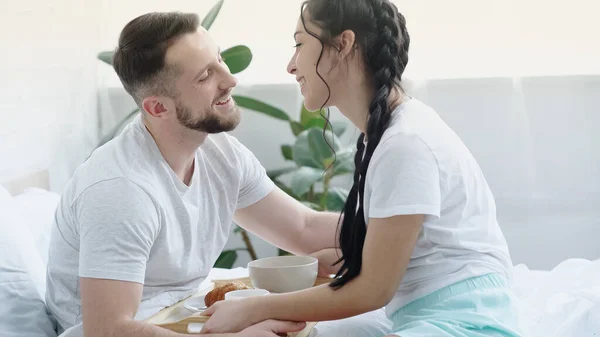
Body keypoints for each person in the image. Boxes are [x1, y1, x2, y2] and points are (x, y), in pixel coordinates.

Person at [200, 1, 528, 336]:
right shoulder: (392, 131)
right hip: (426, 313)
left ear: (342, 44)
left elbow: (373, 290)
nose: (291, 66)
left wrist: (254, 307)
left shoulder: (405, 143)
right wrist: (350, 253)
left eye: (300, 44)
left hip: (467, 321)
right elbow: (395, 241)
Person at [44, 11, 340, 337]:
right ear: (158, 108)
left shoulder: (220, 154)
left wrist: (392, 230)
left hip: (184, 314)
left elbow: (303, 229)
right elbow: (108, 330)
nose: (230, 79)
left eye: (221, 60)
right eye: (205, 76)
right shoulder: (120, 189)